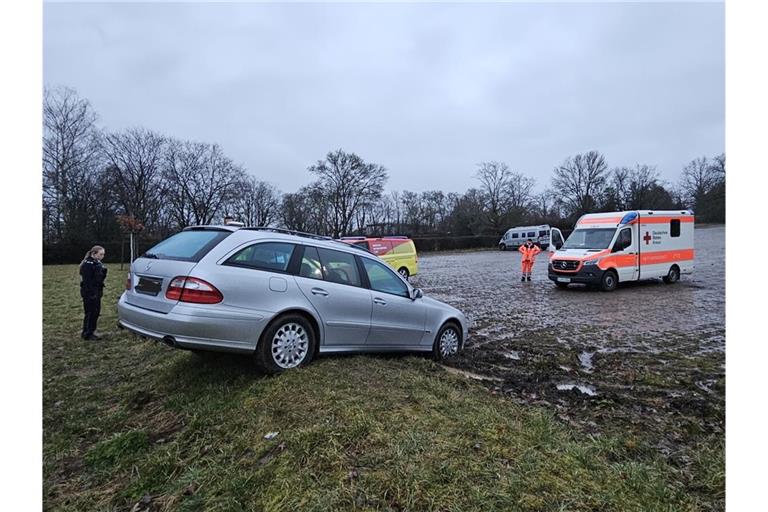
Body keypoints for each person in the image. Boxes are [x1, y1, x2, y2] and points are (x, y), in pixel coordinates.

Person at [80, 245, 107, 340]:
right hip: (90, 293)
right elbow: (87, 281)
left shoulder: (96, 263)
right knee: (91, 312)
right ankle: (87, 333)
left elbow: (98, 279)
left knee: (95, 312)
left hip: (96, 291)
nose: (102, 256)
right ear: (93, 253)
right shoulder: (88, 264)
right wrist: (92, 294)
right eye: (100, 254)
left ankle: (90, 331)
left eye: (103, 254)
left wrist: (103, 273)